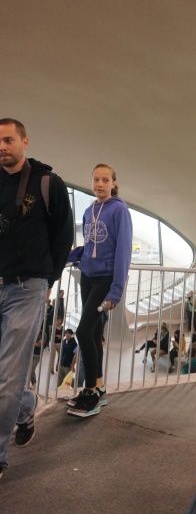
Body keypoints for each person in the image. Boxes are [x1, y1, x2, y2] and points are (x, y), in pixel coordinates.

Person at [0, 118, 73, 480]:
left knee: (9, 377)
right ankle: (26, 407)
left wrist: (48, 279)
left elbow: (63, 237)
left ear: (25, 142)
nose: (2, 146)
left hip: (27, 289)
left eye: (8, 139)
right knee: (8, 380)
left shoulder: (48, 183)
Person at [66, 163, 132, 418]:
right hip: (87, 276)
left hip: (105, 279)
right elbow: (89, 246)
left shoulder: (120, 210)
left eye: (105, 180)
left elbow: (123, 252)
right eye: (96, 180)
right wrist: (66, 256)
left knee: (83, 330)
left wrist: (116, 291)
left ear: (114, 183)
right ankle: (99, 389)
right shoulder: (88, 210)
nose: (100, 184)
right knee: (93, 332)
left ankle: (90, 390)